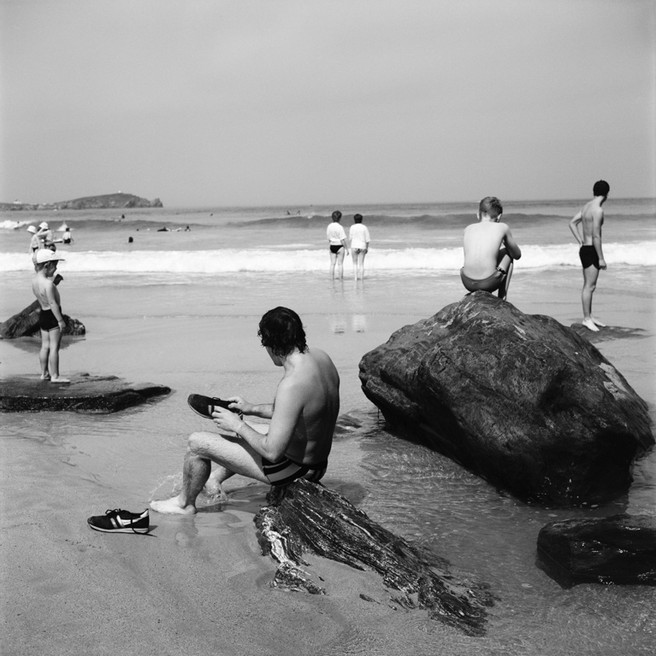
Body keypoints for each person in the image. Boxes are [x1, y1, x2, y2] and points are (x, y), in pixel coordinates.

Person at [151, 307, 341, 514]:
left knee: (196, 443)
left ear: (270, 344)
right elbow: (300, 412)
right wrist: (250, 409)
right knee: (246, 426)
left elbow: (272, 451)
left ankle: (184, 504)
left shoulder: (291, 384)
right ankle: (214, 478)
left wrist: (237, 425)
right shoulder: (322, 359)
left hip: (294, 470)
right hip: (318, 464)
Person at [461, 196, 522, 300]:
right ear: (499, 217)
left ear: (477, 215)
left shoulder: (468, 229)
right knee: (508, 252)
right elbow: (517, 255)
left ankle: (472, 294)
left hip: (467, 282)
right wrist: (504, 241)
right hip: (488, 283)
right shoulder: (502, 227)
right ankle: (502, 297)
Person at [568, 180, 610, 332]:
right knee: (589, 286)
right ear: (607, 194)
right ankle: (586, 319)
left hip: (585, 248)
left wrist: (580, 241)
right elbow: (596, 236)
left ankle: (590, 316)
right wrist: (601, 258)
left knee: (589, 286)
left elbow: (572, 223)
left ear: (594, 192)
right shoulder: (598, 210)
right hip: (592, 250)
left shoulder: (586, 207)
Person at [31, 250, 69, 383]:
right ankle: (55, 376)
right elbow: (53, 303)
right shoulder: (48, 284)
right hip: (52, 316)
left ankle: (44, 373)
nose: (56, 268)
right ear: (47, 265)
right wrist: (60, 320)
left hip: (43, 315)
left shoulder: (35, 281)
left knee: (44, 346)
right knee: (54, 347)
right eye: (55, 265)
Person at [326, 210, 349, 279]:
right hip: (339, 246)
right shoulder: (340, 227)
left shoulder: (329, 226)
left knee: (332, 264)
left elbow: (328, 238)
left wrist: (331, 244)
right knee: (340, 264)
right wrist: (347, 249)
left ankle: (331, 278)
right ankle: (340, 278)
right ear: (340, 218)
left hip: (332, 245)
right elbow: (343, 239)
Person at [349, 214, 370, 280]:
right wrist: (367, 248)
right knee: (361, 264)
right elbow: (367, 239)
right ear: (361, 219)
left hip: (354, 245)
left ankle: (355, 278)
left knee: (355, 263)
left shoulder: (352, 227)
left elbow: (350, 238)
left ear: (354, 219)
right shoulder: (364, 227)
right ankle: (361, 278)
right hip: (362, 246)